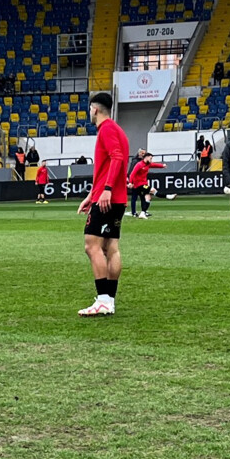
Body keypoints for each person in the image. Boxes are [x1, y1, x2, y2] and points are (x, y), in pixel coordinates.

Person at [77, 92, 130, 317]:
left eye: (90, 109)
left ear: (95, 109)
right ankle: (109, 301)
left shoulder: (106, 129)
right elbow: (111, 161)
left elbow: (117, 157)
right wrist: (93, 193)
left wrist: (106, 189)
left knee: (92, 245)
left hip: (107, 198)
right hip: (115, 197)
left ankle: (103, 300)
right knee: (111, 248)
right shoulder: (118, 130)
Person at [127, 151, 165, 219]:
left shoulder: (147, 164)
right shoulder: (138, 164)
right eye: (150, 158)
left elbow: (154, 165)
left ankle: (143, 212)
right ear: (146, 157)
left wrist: (162, 166)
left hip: (143, 184)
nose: (151, 160)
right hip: (138, 185)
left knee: (145, 197)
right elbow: (132, 174)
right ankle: (135, 212)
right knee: (136, 198)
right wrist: (130, 182)